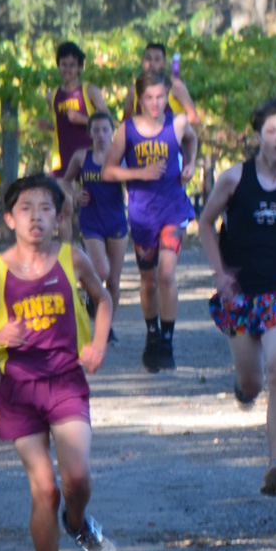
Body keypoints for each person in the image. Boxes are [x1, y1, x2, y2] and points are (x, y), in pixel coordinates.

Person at [0, 173, 119, 551]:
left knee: (76, 478)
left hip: (65, 381)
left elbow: (103, 298)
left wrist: (97, 343)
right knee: (45, 488)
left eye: (45, 209)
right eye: (26, 208)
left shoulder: (72, 259)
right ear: (9, 219)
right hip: (17, 389)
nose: (35, 217)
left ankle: (77, 522)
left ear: (58, 218)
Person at [198, 94, 276, 497]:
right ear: (259, 135)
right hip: (241, 294)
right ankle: (245, 389)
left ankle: (275, 463)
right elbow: (205, 223)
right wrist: (220, 274)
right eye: (272, 131)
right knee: (253, 380)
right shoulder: (234, 178)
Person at [102, 71, 198, 373]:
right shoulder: (127, 130)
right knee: (149, 281)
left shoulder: (177, 123)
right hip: (143, 215)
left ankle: (167, 342)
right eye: (149, 98)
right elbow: (108, 170)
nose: (155, 103)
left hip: (173, 210)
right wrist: (138, 174)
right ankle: (152, 333)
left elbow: (192, 140)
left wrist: (191, 164)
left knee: (166, 274)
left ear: (167, 96)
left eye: (160, 97)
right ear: (140, 99)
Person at [60, 112, 128, 344]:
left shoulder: (121, 157)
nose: (100, 135)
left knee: (114, 282)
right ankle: (91, 297)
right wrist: (75, 194)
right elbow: (65, 181)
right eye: (96, 130)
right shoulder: (81, 157)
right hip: (91, 222)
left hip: (117, 221)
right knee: (101, 271)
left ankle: (106, 326)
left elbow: (135, 183)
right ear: (90, 133)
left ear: (112, 132)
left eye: (105, 130)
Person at [37, 41, 110, 242]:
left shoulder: (89, 91)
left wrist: (83, 119)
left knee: (92, 205)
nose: (67, 69)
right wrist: (48, 126)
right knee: (65, 207)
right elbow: (62, 126)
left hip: (88, 156)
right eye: (63, 64)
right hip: (62, 157)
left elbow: (107, 121)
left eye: (72, 65)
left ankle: (94, 248)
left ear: (79, 68)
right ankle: (66, 255)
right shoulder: (52, 96)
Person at [123, 42, 199, 125]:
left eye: (157, 59)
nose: (151, 64)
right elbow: (125, 123)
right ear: (142, 62)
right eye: (148, 58)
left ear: (164, 64)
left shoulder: (174, 86)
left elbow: (194, 118)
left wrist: (170, 129)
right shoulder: (133, 91)